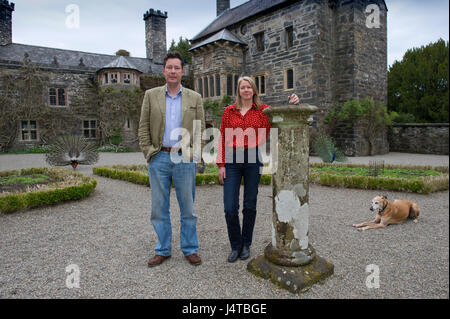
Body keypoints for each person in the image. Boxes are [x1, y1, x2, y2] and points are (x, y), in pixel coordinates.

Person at [217, 76, 299, 263]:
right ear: (238, 91)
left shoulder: (263, 112)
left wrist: (292, 103)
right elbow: (222, 137)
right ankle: (235, 245)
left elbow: (281, 115)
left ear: (254, 90)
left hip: (253, 158)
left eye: (249, 87)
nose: (246, 90)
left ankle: (246, 244)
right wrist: (221, 164)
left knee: (250, 205)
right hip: (231, 159)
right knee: (230, 207)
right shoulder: (229, 112)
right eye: (242, 87)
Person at [138, 51, 205, 267]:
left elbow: (199, 129)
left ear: (183, 71)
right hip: (159, 157)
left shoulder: (195, 98)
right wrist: (149, 151)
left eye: (177, 67)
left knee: (188, 207)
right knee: (159, 207)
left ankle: (190, 248)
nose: (173, 71)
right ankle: (163, 249)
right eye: (170, 67)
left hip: (184, 158)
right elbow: (143, 127)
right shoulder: (151, 95)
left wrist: (195, 155)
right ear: (163, 70)